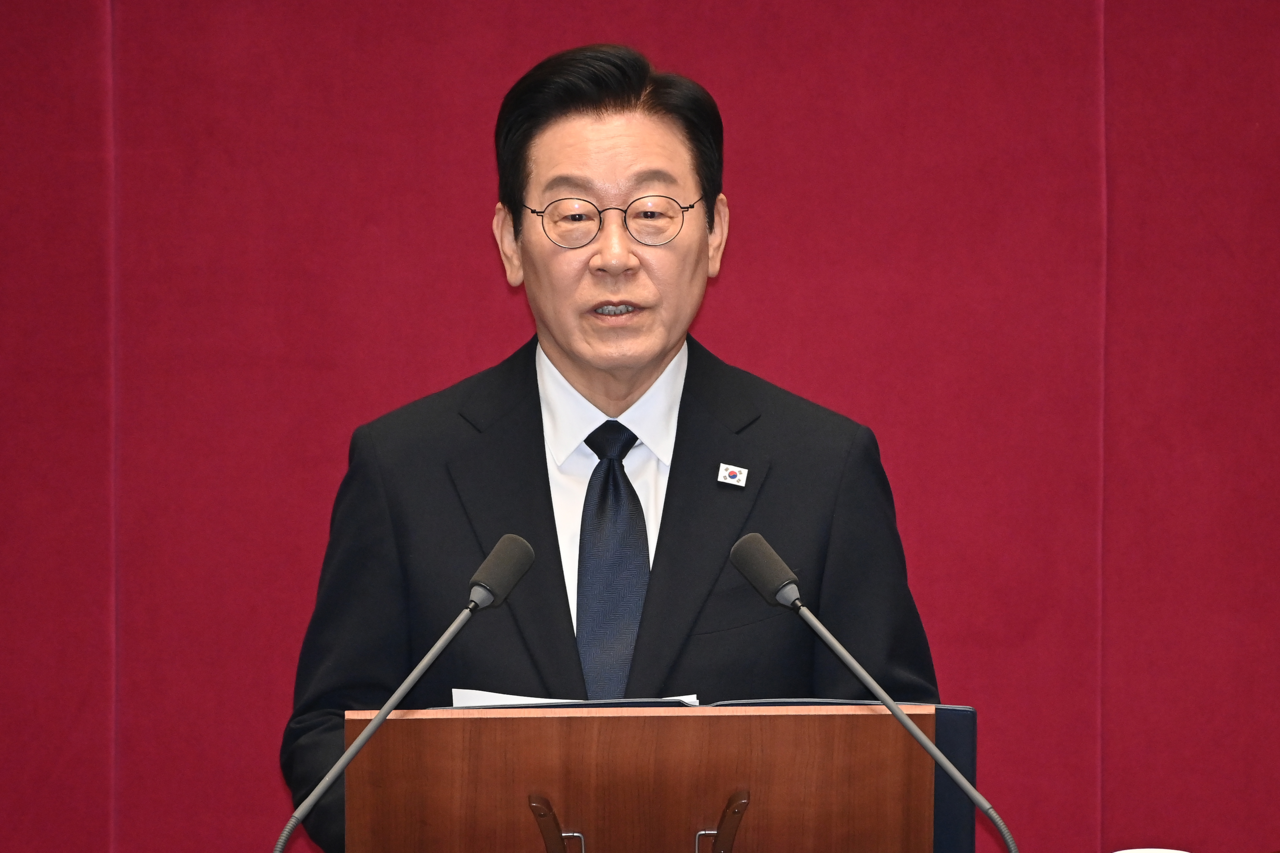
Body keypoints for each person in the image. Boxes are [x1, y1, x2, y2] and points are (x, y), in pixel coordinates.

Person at [281, 44, 938, 853]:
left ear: (716, 234)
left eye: (653, 212)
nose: (615, 255)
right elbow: (327, 742)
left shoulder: (821, 468)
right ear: (511, 244)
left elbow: (899, 753)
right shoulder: (405, 469)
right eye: (573, 216)